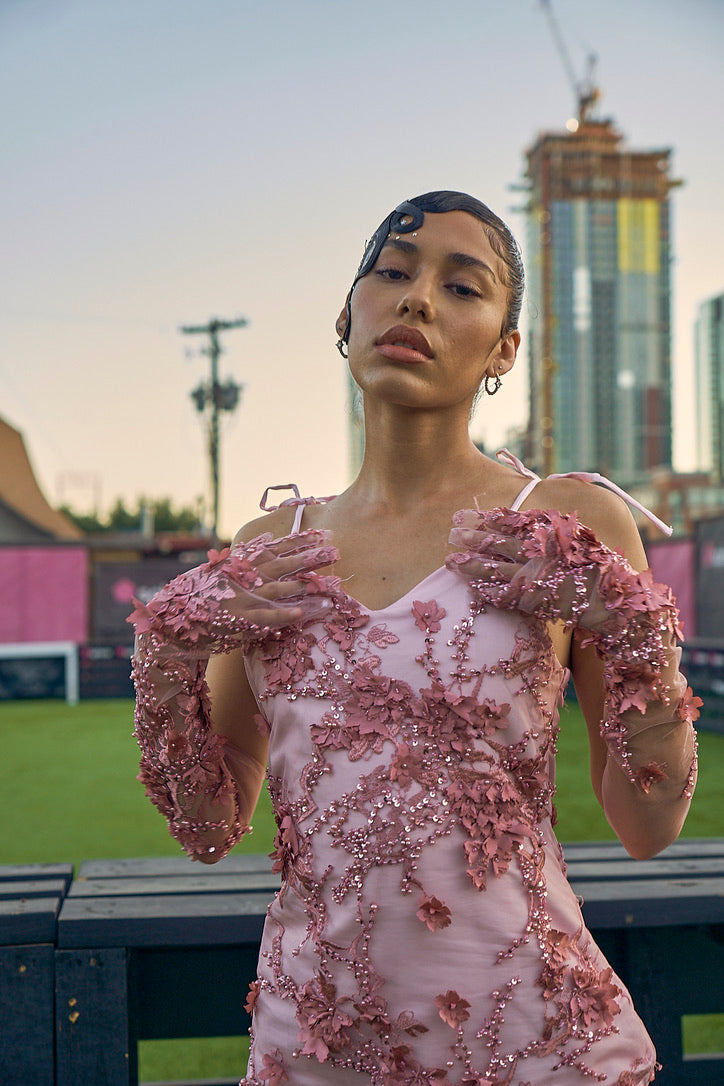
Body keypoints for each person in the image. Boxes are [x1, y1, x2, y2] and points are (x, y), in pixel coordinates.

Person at [130, 191, 700, 1086]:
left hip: (541, 1050)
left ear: (505, 348)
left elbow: (649, 825)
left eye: (462, 287)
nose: (418, 300)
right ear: (346, 315)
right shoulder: (266, 553)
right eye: (391, 274)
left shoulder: (567, 522)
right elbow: (210, 826)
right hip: (313, 1053)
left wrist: (634, 629)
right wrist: (164, 657)